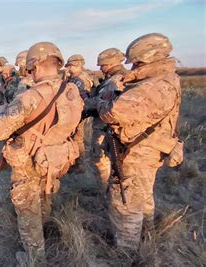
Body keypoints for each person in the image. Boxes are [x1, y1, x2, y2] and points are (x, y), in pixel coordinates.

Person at [0, 42, 83, 265]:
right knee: (46, 195)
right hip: (56, 157)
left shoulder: (29, 97)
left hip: (30, 160)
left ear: (35, 67)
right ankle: (46, 231)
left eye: (30, 70)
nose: (30, 74)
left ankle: (34, 258)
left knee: (28, 209)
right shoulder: (71, 91)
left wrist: (3, 114)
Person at [94, 33, 183, 253]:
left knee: (126, 205)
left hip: (138, 151)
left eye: (137, 62)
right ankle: (148, 237)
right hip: (149, 148)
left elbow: (114, 113)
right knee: (143, 196)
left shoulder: (154, 86)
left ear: (148, 58)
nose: (133, 66)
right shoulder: (167, 79)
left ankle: (125, 252)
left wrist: (102, 103)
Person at [85, 48, 129, 190]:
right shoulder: (125, 76)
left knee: (100, 159)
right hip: (115, 127)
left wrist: (83, 104)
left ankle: (105, 190)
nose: (101, 69)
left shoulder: (114, 80)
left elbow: (102, 101)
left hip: (106, 127)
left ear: (110, 64)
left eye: (102, 65)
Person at [65, 54, 94, 159]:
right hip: (71, 112)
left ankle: (80, 161)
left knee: (77, 137)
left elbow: (83, 99)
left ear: (78, 65)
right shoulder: (72, 78)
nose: (68, 68)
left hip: (79, 113)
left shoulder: (81, 79)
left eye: (70, 66)